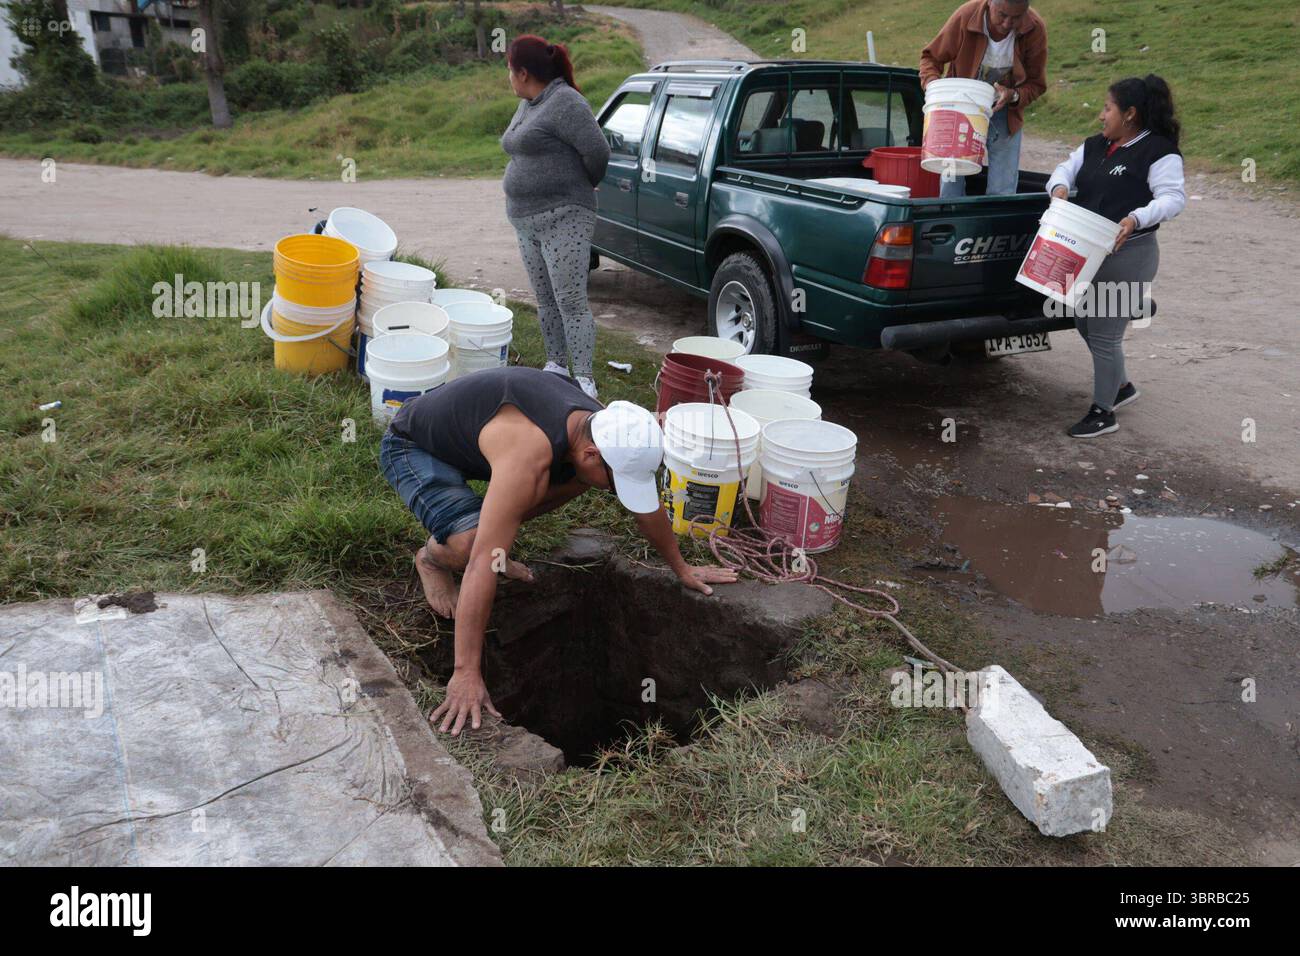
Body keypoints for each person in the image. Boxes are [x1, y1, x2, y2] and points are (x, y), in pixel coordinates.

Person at [379, 367, 738, 735]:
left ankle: (495, 517)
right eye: (617, 483)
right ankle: (431, 559)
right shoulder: (527, 453)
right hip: (416, 446)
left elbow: (644, 507)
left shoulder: (604, 426)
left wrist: (681, 568)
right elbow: (481, 565)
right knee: (472, 546)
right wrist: (466, 673)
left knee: (576, 484)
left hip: (477, 441)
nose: (617, 493)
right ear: (592, 452)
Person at [1046, 74, 1186, 438]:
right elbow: (1064, 168)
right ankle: (1122, 387)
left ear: (1130, 114)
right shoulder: (1095, 145)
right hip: (1088, 250)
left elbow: (1173, 198)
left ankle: (1102, 412)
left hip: (1130, 255)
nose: (1101, 115)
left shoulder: (1158, 151)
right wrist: (1059, 186)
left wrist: (1136, 217)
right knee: (1083, 322)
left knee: (1106, 334)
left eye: (1107, 108)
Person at [501, 35, 611, 399]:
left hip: (565, 217)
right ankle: (556, 364)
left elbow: (597, 151)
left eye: (509, 71)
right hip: (526, 220)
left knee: (570, 302)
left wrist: (581, 184)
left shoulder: (566, 102)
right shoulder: (529, 103)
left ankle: (584, 381)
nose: (508, 79)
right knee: (545, 300)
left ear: (523, 72)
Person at [919, 0, 1048, 197]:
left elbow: (1036, 84)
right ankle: (952, 223)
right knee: (950, 181)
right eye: (1002, 15)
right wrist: (935, 89)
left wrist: (1013, 95)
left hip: (1004, 112)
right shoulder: (966, 16)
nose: (1007, 24)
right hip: (959, 109)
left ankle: (996, 227)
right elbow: (931, 58)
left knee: (1003, 188)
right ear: (990, 3)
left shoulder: (1034, 29)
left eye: (1016, 17)